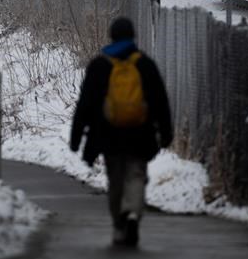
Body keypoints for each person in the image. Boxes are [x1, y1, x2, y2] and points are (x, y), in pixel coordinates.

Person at [70, 16, 173, 247]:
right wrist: (166, 132)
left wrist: (76, 137)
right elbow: (160, 101)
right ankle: (133, 213)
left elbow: (85, 103)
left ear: (112, 35)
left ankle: (119, 226)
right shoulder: (144, 65)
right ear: (132, 35)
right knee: (136, 174)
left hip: (109, 136)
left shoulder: (100, 66)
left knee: (115, 180)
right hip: (140, 133)